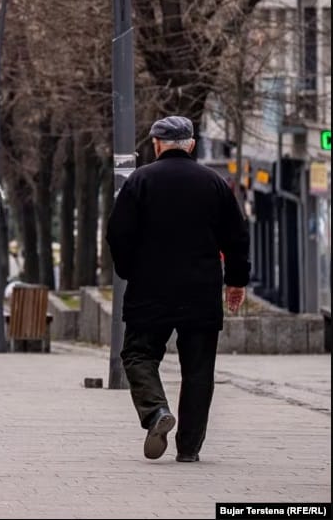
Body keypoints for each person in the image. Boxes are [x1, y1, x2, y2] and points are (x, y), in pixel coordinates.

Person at [107, 116, 250, 463]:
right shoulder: (214, 183)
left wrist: (129, 271)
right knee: (199, 370)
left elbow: (118, 234)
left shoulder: (140, 181)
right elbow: (236, 236)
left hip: (150, 288)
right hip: (200, 290)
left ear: (156, 144)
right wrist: (235, 281)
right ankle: (189, 449)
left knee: (138, 354)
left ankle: (156, 412)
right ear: (192, 145)